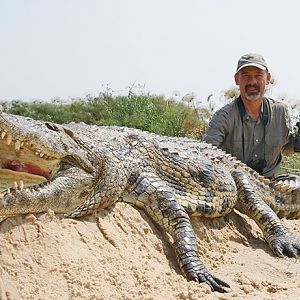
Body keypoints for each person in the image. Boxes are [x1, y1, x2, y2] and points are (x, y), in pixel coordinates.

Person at [202, 53, 299, 182]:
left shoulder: (280, 111)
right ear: (237, 79)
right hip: (236, 185)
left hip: (271, 184)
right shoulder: (223, 117)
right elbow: (203, 156)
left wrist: (296, 144)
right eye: (246, 76)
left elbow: (286, 148)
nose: (252, 82)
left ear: (268, 78)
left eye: (258, 75)